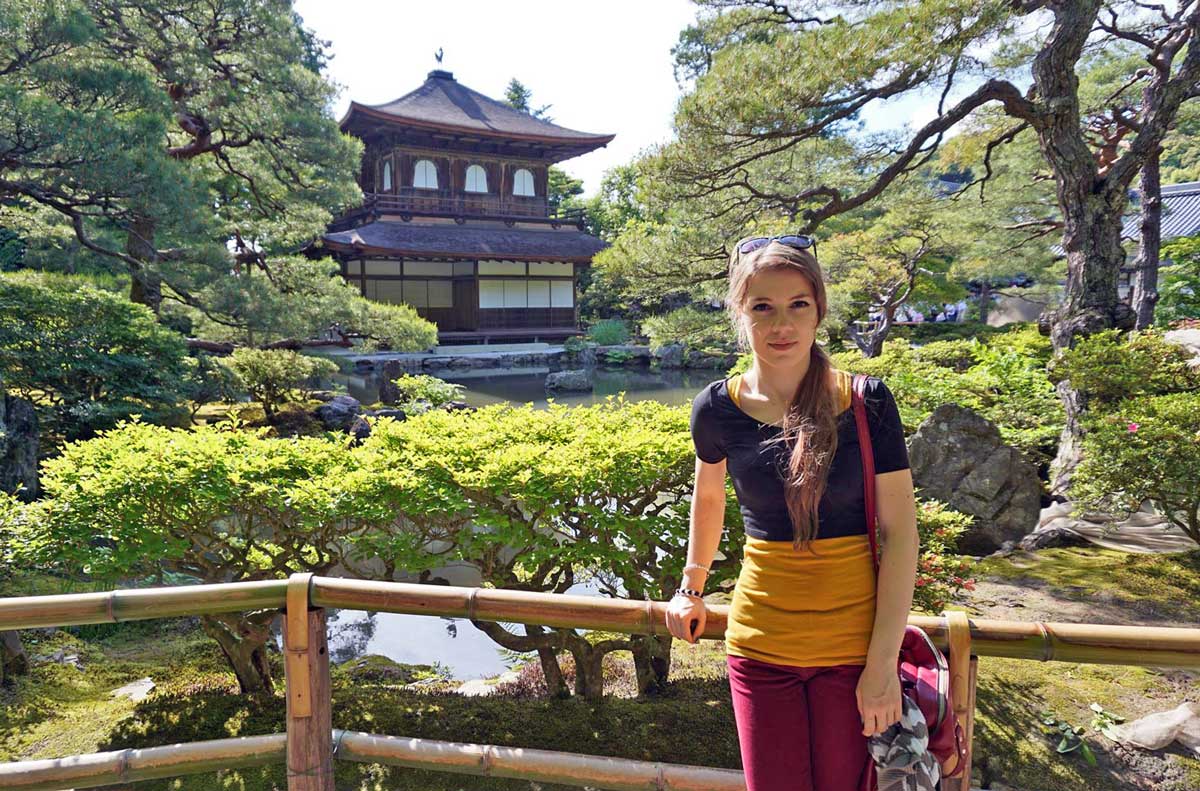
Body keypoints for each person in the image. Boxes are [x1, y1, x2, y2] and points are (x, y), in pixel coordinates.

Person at [665, 235, 920, 791]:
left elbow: (901, 536)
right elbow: (708, 498)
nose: (781, 324)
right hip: (760, 642)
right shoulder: (716, 408)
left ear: (819, 310)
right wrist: (691, 585)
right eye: (763, 307)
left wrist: (881, 667)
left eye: (797, 305)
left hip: (853, 647)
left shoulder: (866, 401)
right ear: (740, 312)